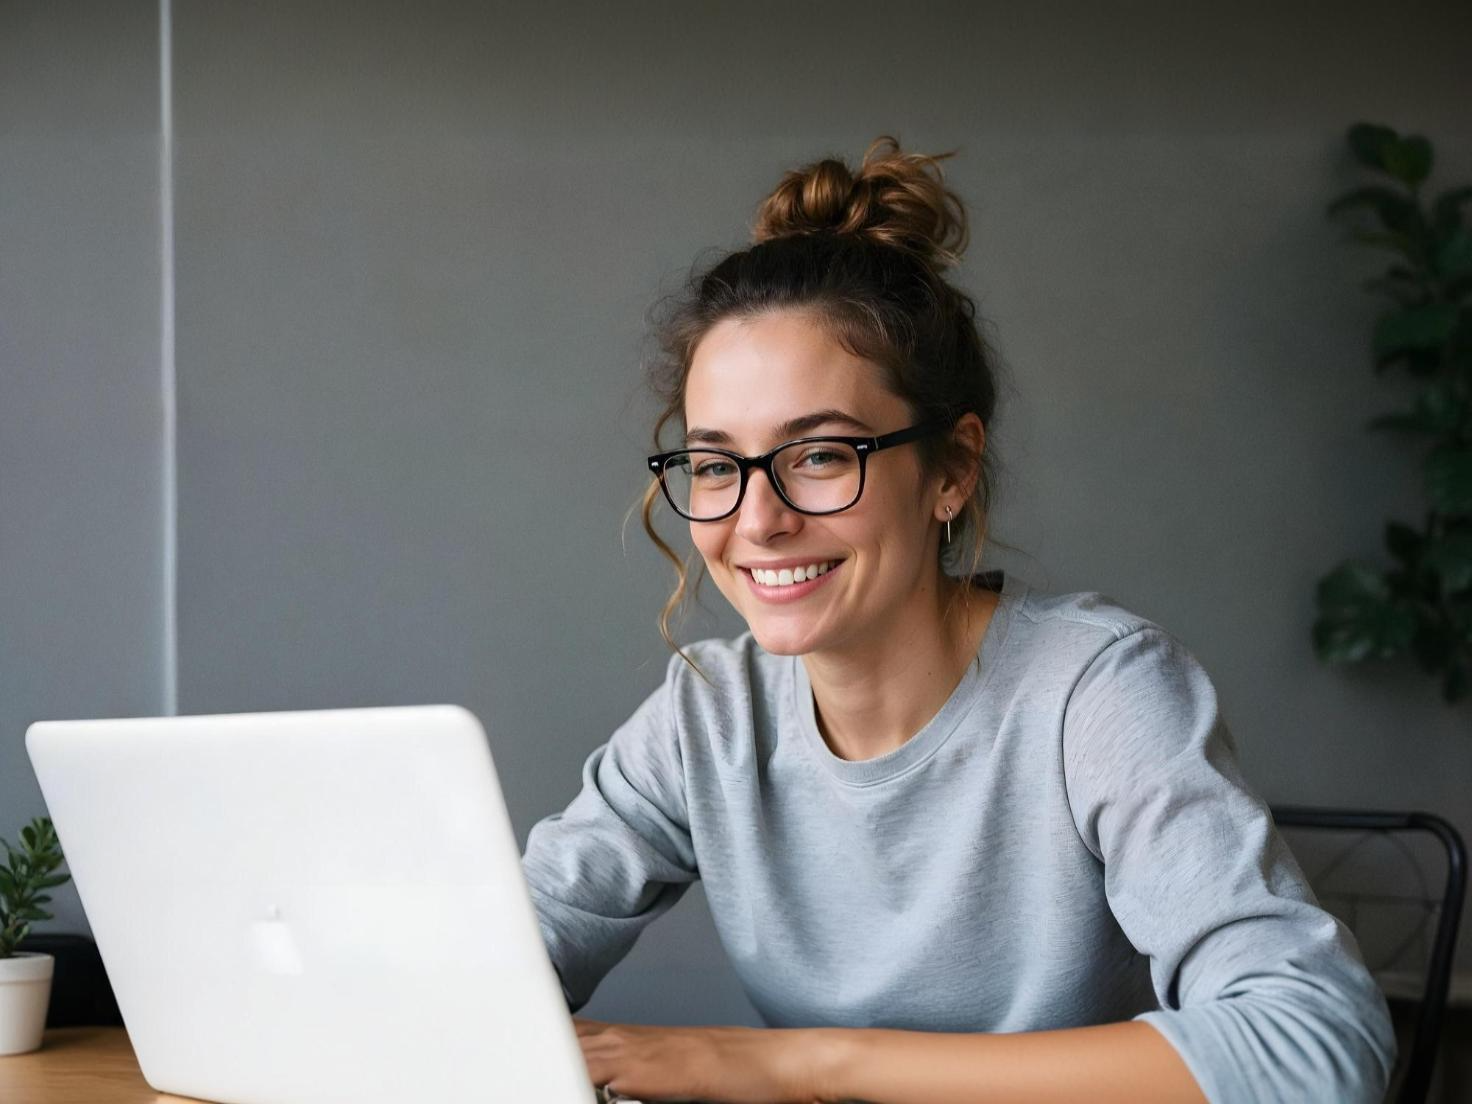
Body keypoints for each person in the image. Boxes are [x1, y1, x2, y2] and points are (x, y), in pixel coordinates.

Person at [520, 137, 1396, 1104]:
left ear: (951, 469)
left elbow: (1315, 1047)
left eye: (818, 455)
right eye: (718, 465)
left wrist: (811, 1064)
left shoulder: (1096, 693)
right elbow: (497, 959)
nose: (757, 521)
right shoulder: (708, 717)